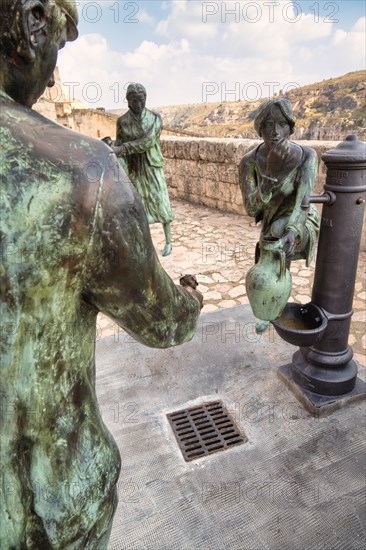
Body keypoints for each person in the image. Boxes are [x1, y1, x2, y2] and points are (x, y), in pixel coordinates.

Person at [0, 2, 202, 548]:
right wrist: (190, 300)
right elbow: (162, 323)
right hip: (48, 504)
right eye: (59, 44)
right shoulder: (83, 171)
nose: (48, 79)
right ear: (32, 22)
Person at [239, 98, 320, 331]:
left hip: (300, 219)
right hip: (271, 219)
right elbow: (252, 210)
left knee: (278, 241)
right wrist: (265, 188)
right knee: (268, 253)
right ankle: (267, 307)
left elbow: (304, 202)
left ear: (290, 126)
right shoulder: (250, 162)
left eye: (282, 124)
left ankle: (271, 306)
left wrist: (293, 230)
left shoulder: (307, 156)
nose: (275, 132)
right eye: (268, 125)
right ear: (260, 128)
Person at [113, 84, 174, 256]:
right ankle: (145, 242)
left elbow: (148, 141)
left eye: (142, 100)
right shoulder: (122, 121)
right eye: (134, 101)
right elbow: (119, 143)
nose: (139, 105)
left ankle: (169, 240)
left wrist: (123, 148)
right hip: (134, 166)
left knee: (160, 199)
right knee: (139, 204)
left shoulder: (155, 118)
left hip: (151, 164)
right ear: (128, 101)